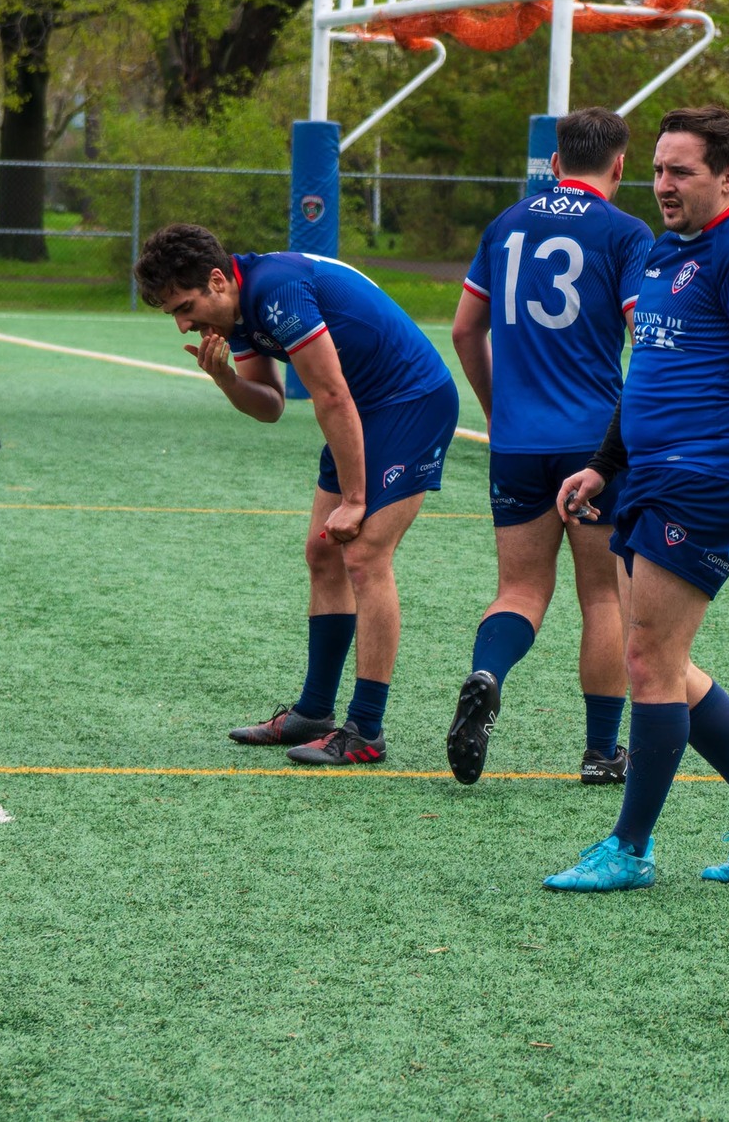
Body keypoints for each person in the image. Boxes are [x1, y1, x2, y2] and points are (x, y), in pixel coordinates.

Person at [544, 105, 729, 893]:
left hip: (706, 480)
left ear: (727, 176)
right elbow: (650, 376)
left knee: (647, 661)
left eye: (682, 171)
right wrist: (604, 464)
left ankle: (629, 848)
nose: (663, 185)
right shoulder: (670, 250)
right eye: (659, 169)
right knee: (667, 661)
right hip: (648, 476)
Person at [133, 224, 459, 766]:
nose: (184, 323)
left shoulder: (276, 290)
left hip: (410, 401)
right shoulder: (233, 306)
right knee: (321, 552)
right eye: (174, 313)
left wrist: (354, 499)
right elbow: (271, 405)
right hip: (362, 407)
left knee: (365, 554)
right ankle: (312, 713)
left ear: (217, 279)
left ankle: (366, 730)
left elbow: (329, 393)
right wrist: (227, 382)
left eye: (185, 307)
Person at [446, 107, 654, 787]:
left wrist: (496, 408)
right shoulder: (625, 233)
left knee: (520, 588)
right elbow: (645, 343)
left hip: (517, 440)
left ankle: (487, 672)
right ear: (619, 165)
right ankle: (601, 752)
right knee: (602, 597)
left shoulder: (507, 224)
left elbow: (463, 330)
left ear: (555, 162)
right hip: (595, 446)